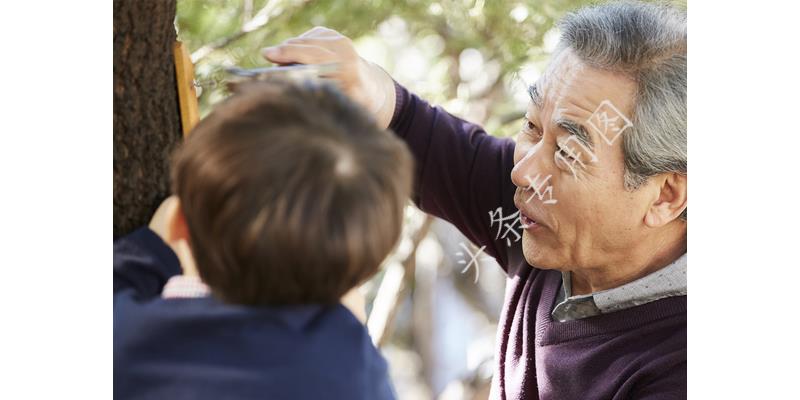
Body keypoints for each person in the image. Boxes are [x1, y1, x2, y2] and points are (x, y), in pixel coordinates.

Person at [263, 1, 687, 398]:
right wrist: (364, 85)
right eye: (532, 127)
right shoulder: (543, 212)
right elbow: (426, 138)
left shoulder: (681, 369)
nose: (522, 174)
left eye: (568, 153)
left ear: (666, 196)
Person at [113, 80, 413, 399]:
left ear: (178, 226)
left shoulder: (131, 339)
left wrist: (150, 252)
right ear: (362, 269)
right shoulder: (359, 373)